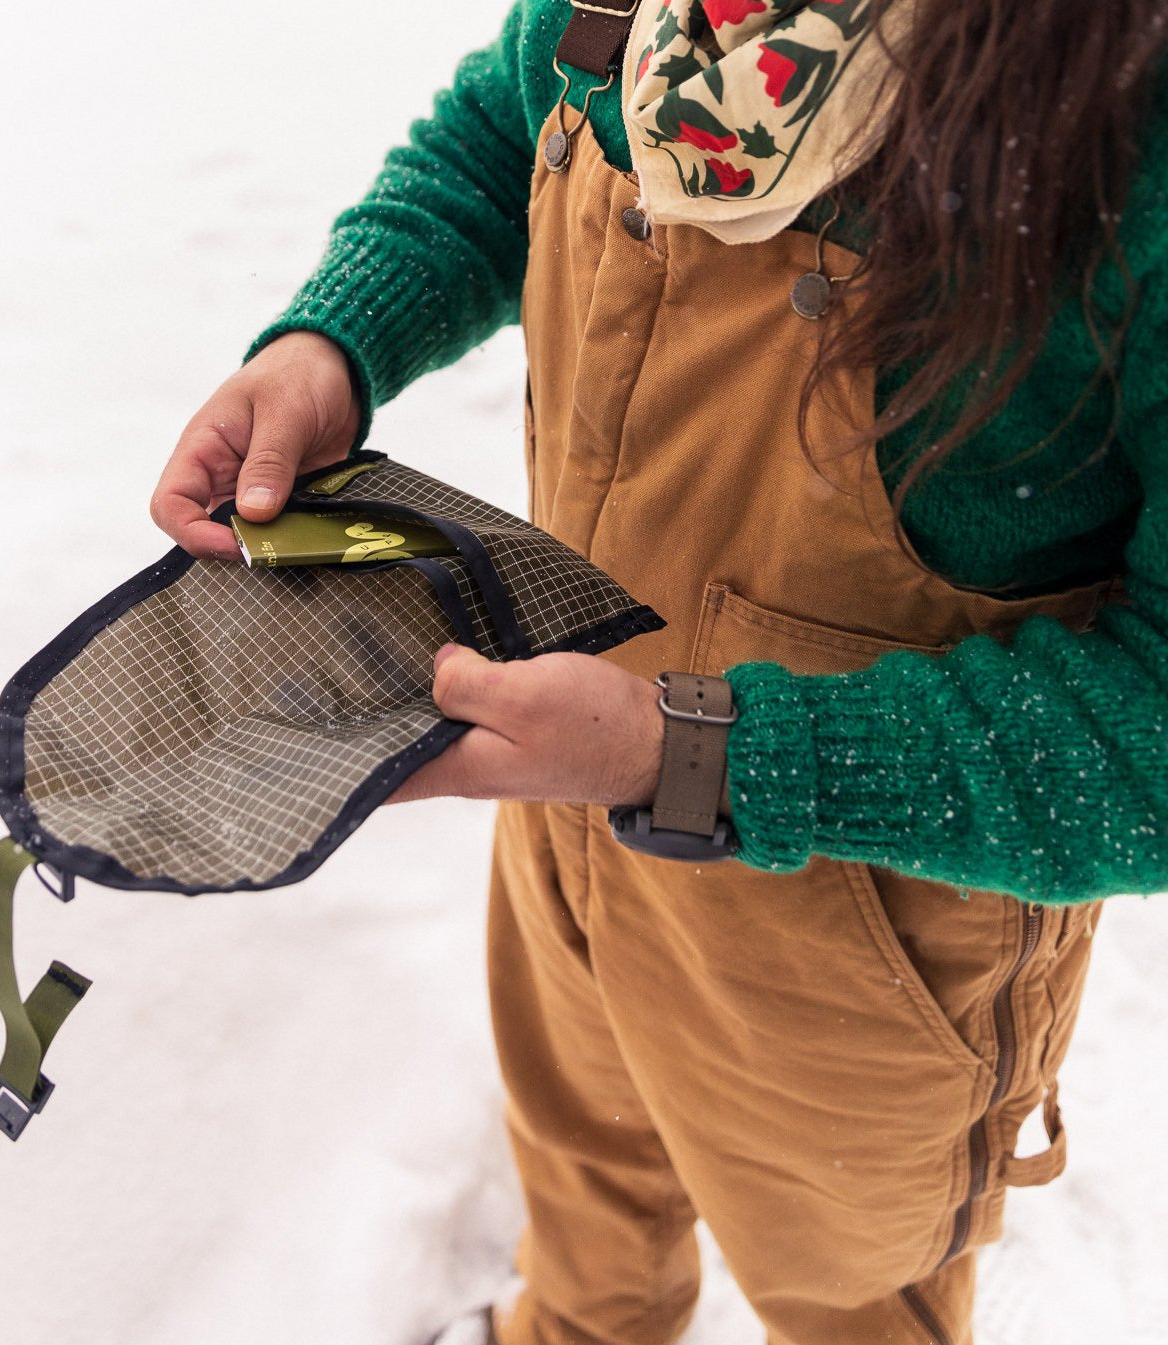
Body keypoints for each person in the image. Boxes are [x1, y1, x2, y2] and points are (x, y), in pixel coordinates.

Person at [150, 2, 1168, 1341]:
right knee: (583, 1178)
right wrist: (332, 342)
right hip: (567, 806)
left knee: (854, 1294)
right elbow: (497, 138)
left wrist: (699, 753)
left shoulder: (1128, 126)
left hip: (864, 953)